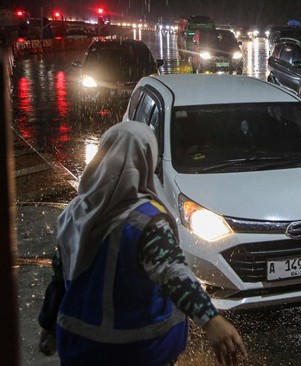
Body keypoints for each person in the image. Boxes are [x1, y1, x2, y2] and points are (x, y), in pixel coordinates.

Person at [37, 122, 247, 365]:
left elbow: (59, 277)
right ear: (147, 161)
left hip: (79, 348)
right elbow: (173, 272)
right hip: (139, 352)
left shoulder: (75, 213)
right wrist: (211, 319)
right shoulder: (146, 221)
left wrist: (48, 326)